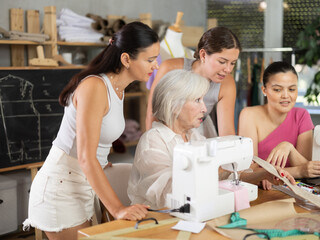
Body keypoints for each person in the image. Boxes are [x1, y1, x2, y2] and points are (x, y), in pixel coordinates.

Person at [23, 22, 160, 240]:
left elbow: (94, 143)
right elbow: (85, 157)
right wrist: (118, 210)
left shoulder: (118, 88)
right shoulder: (95, 87)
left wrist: (101, 159)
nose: (156, 66)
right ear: (126, 59)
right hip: (62, 186)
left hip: (84, 184)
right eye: (150, 60)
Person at [128, 69, 296, 209]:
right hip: (158, 220)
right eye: (197, 100)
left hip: (191, 214)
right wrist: (217, 171)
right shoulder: (153, 141)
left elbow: (226, 178)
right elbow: (166, 196)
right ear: (174, 105)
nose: (204, 108)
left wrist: (265, 174)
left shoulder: (195, 137)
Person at [238, 61, 320, 190]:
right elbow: (246, 172)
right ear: (264, 90)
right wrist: (297, 171)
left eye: (292, 89)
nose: (286, 96)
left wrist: (289, 148)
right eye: (277, 89)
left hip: (293, 192)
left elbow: (308, 169)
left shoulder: (301, 116)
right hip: (260, 193)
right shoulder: (249, 115)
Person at [146, 26, 241, 138]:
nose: (228, 69)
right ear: (203, 55)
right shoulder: (170, 68)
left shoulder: (227, 83)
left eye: (233, 63)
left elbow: (227, 134)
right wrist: (153, 146)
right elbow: (152, 115)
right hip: (165, 134)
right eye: (222, 62)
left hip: (199, 134)